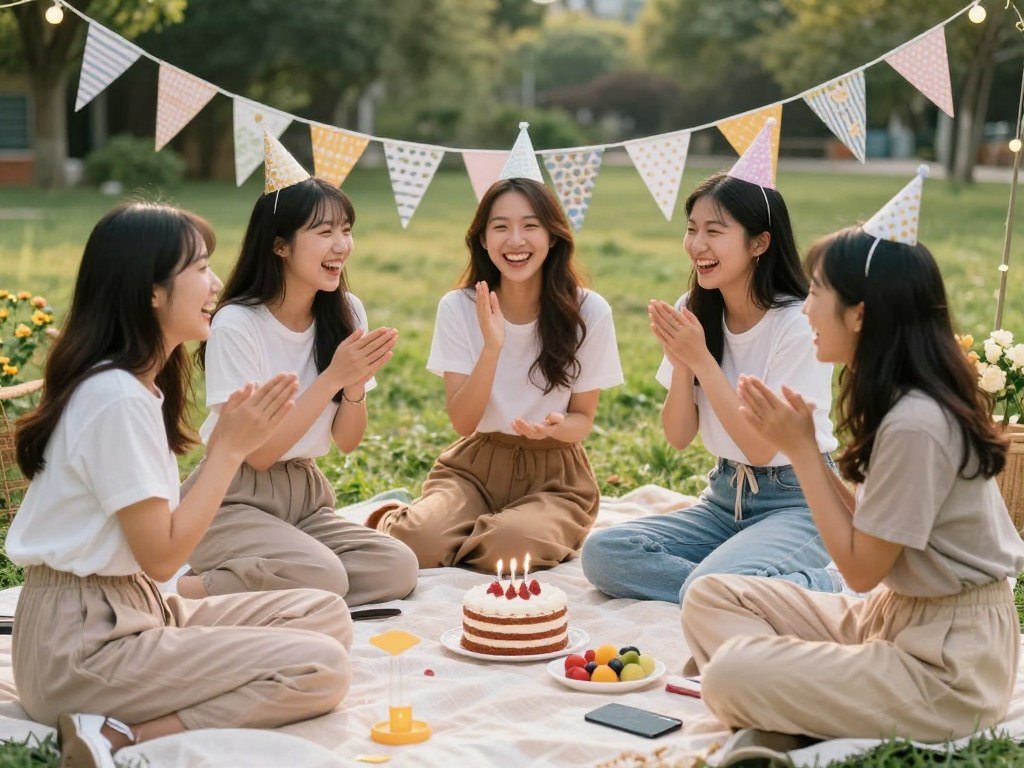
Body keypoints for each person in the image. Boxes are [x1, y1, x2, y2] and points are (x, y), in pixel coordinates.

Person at [7, 202, 353, 767]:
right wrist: (231, 451)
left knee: (325, 613)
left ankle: (134, 710)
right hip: (84, 648)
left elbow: (158, 548)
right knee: (321, 666)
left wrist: (225, 449)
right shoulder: (114, 397)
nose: (216, 282)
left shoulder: (134, 386)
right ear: (151, 291)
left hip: (135, 613)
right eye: (199, 268)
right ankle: (118, 734)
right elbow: (163, 556)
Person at [684, 221, 1024, 741]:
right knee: (710, 597)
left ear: (860, 314)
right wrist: (803, 450)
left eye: (817, 290)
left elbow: (861, 570)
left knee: (731, 674)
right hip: (892, 620)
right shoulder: (898, 403)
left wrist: (799, 450)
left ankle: (782, 702)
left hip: (949, 667)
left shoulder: (916, 423)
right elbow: (869, 533)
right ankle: (803, 695)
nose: (804, 307)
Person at [582, 145, 840, 604]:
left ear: (759, 243)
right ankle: (724, 584)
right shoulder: (695, 312)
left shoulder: (798, 325)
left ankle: (824, 586)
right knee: (605, 552)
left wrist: (700, 359)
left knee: (708, 585)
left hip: (800, 501)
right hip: (725, 499)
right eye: (692, 229)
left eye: (714, 232)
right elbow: (678, 435)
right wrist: (684, 363)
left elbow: (761, 448)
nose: (697, 245)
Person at [177, 154, 418, 604]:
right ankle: (194, 587)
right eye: (324, 232)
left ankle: (276, 575)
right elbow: (261, 453)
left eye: (346, 230)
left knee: (397, 567)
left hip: (304, 495)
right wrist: (332, 378)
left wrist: (354, 386)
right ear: (280, 245)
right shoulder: (237, 323)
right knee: (324, 576)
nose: (341, 245)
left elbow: (347, 440)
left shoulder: (347, 312)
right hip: (231, 495)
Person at [368, 174, 623, 571]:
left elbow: (583, 422)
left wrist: (554, 426)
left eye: (530, 226)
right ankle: (416, 523)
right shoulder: (458, 307)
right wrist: (492, 346)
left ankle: (486, 533)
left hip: (556, 475)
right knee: (416, 543)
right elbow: (463, 421)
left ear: (553, 237)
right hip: (476, 467)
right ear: (483, 239)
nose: (515, 240)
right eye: (501, 227)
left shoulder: (589, 312)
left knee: (509, 549)